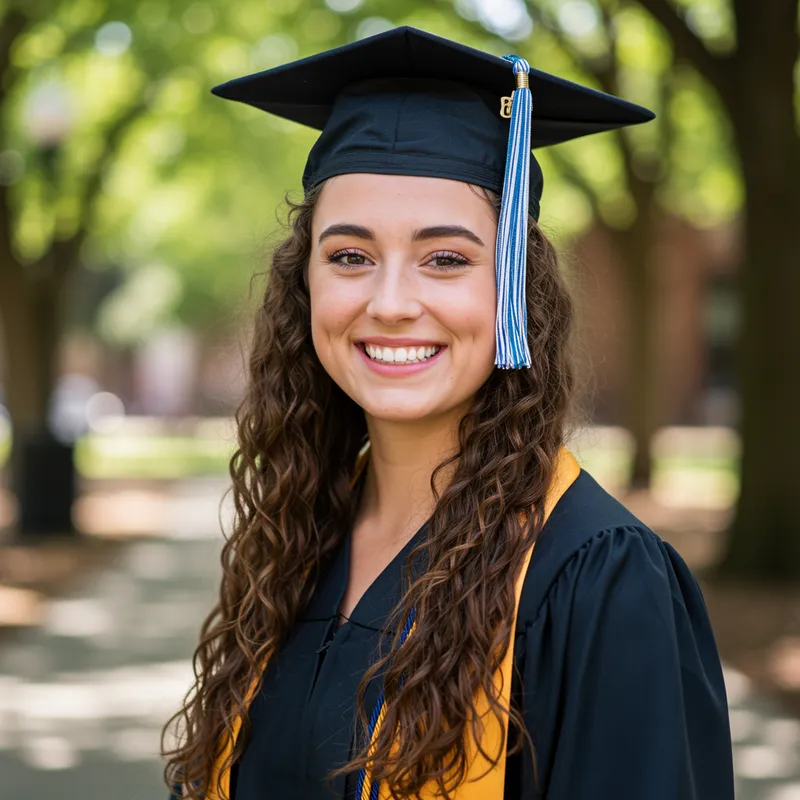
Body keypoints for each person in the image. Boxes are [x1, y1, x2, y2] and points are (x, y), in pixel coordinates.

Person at [163, 26, 734, 800]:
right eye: (350, 256)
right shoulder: (299, 534)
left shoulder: (597, 579)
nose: (391, 303)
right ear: (305, 286)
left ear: (515, 290)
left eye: (446, 258)